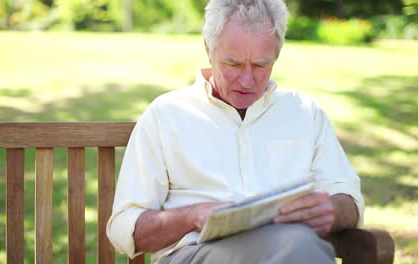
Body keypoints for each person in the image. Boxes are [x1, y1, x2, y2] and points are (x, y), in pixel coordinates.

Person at [107, 0, 364, 263]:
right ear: (209, 49)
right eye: (233, 64)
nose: (247, 80)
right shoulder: (166, 114)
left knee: (296, 244)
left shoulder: (304, 113)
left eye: (261, 65)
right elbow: (124, 228)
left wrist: (332, 209)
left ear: (276, 56)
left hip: (291, 247)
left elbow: (347, 197)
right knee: (297, 246)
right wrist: (193, 216)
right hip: (196, 253)